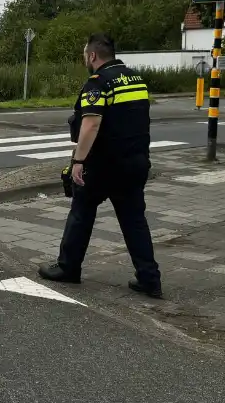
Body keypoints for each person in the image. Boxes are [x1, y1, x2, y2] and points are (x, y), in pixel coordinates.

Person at [38, 33, 163, 298]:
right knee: (134, 221)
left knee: (81, 213)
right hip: (136, 162)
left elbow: (91, 124)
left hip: (105, 164)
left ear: (93, 55)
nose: (85, 58)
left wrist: (78, 161)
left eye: (85, 54)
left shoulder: (98, 83)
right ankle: (149, 278)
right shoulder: (136, 79)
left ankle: (68, 268)